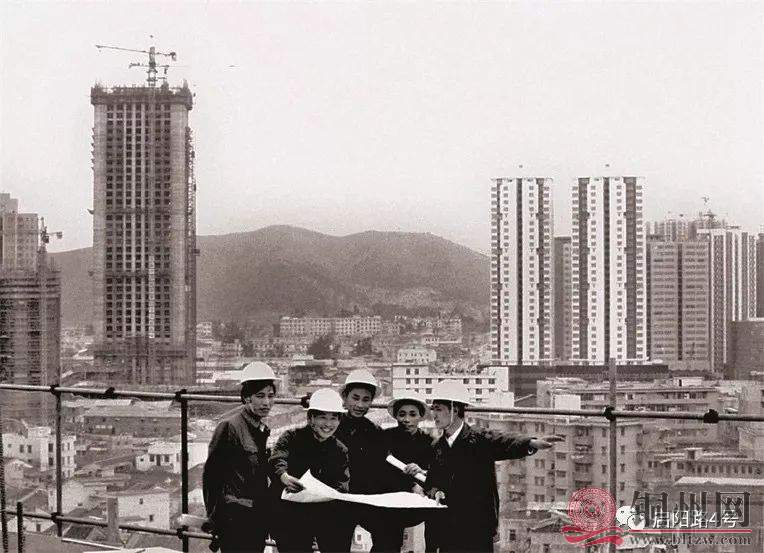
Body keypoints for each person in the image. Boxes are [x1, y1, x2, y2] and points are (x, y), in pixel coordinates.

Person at [424, 381, 562, 553]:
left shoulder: (479, 439)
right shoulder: (437, 447)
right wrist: (436, 491)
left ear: (455, 410)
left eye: (438, 409)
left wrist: (530, 442)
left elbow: (503, 440)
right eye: (433, 409)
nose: (434, 414)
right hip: (447, 526)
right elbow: (431, 484)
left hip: (477, 524)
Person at [202, 361, 278, 553]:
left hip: (256, 515)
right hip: (235, 517)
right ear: (246, 397)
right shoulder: (230, 427)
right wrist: (215, 518)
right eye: (260, 396)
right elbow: (211, 476)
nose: (266, 402)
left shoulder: (261, 429)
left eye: (270, 396)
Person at [269, 388, 351, 552]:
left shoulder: (340, 450)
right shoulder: (290, 437)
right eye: (322, 417)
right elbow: (277, 459)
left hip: (324, 513)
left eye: (334, 418)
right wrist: (284, 476)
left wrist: (331, 493)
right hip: (291, 513)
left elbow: (342, 484)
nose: (328, 424)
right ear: (310, 418)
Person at [333, 369, 389, 550]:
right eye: (355, 398)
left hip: (366, 498)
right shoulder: (332, 426)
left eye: (366, 400)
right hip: (338, 498)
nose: (360, 404)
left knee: (387, 535)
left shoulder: (375, 431)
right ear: (345, 397)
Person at [374, 391, 435, 552]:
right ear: (396, 416)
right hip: (389, 498)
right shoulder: (385, 437)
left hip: (418, 499)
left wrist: (421, 471)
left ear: (420, 417)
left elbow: (436, 472)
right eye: (402, 414)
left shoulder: (429, 442)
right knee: (386, 543)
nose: (407, 419)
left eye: (412, 414)